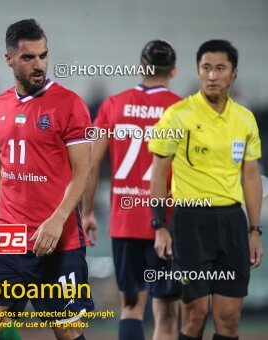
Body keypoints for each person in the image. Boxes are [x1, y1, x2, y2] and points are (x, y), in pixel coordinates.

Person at [0, 19, 94, 340]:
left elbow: (84, 170)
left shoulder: (70, 104)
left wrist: (57, 220)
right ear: (9, 59)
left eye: (43, 56)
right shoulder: (0, 105)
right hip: (8, 235)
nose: (39, 64)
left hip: (56, 238)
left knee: (67, 332)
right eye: (29, 58)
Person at [148, 40, 263, 340]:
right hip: (190, 224)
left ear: (233, 73)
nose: (212, 75)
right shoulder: (177, 115)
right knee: (195, 315)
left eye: (220, 68)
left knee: (229, 318)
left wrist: (254, 230)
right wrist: (160, 224)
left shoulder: (245, 119)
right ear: (198, 71)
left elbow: (251, 176)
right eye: (206, 68)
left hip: (232, 223)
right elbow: (159, 172)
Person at [82, 40, 181, 340]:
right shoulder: (182, 108)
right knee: (165, 311)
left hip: (125, 221)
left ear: (140, 66)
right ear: (174, 71)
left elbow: (91, 164)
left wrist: (86, 212)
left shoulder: (113, 104)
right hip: (168, 221)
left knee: (131, 307)